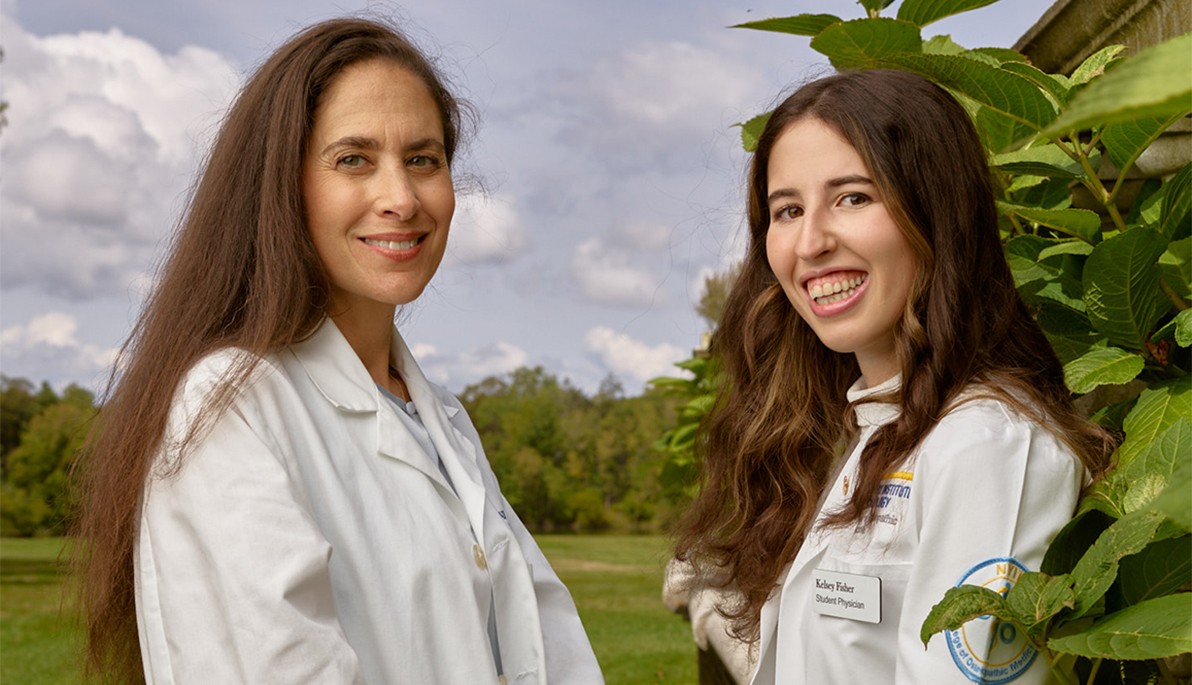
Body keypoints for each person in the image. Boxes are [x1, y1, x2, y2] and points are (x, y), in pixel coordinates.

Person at [72, 17, 602, 685]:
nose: (401, 198)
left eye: (423, 159)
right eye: (354, 159)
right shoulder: (231, 409)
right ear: (283, 187)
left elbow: (547, 649)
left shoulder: (444, 423)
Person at [672, 69, 1111, 684]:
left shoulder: (988, 447)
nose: (811, 242)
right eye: (788, 209)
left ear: (937, 211)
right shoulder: (872, 431)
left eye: (853, 197)